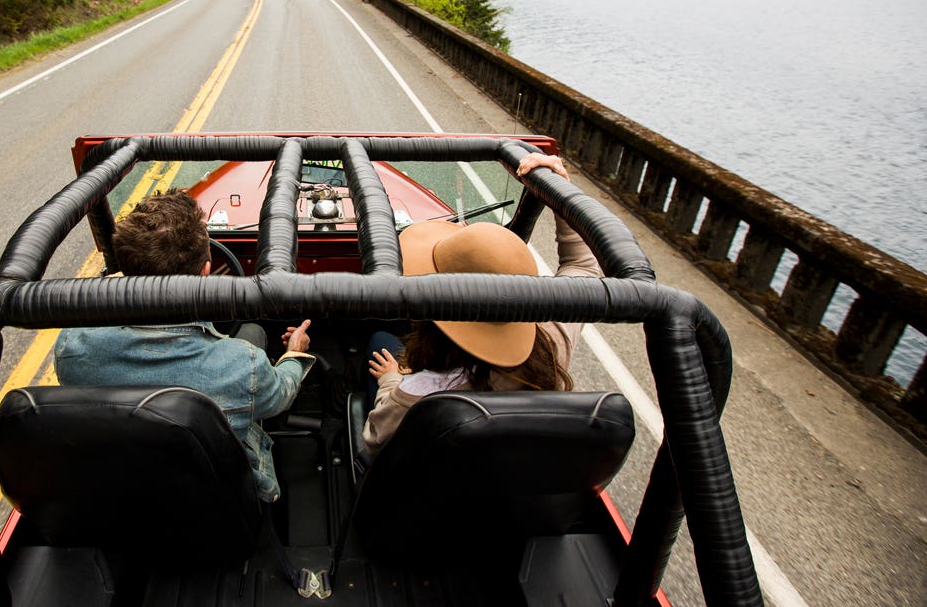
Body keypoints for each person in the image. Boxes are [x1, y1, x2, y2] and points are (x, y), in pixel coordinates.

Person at [53, 189, 315, 502]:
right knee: (253, 332)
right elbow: (280, 395)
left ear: (125, 268)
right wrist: (295, 354)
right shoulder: (241, 364)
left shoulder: (73, 344)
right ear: (206, 271)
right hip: (219, 497)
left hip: (122, 488)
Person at [361, 153, 603, 456]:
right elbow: (583, 267)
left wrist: (391, 381)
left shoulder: (416, 394)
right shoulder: (551, 343)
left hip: (428, 479)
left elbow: (373, 440)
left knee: (379, 341)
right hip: (505, 474)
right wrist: (558, 187)